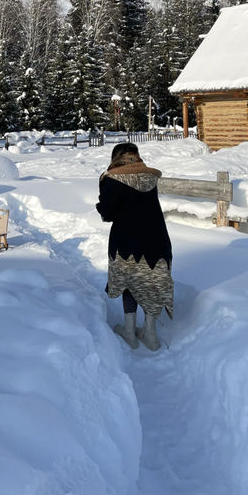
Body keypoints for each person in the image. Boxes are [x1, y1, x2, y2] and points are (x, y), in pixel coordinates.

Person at [96, 142, 173, 351]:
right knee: (151, 283)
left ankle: (129, 333)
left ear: (116, 158)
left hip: (127, 241)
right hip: (157, 239)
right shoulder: (149, 176)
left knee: (129, 282)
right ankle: (150, 334)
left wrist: (101, 200)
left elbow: (107, 214)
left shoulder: (112, 179)